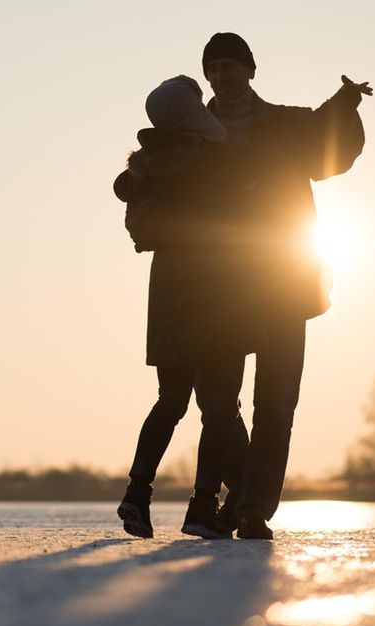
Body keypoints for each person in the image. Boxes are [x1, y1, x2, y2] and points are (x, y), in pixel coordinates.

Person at [195, 32, 370, 540]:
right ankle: (247, 492)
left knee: (275, 402)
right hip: (216, 286)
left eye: (232, 66)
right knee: (216, 402)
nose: (223, 75)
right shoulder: (190, 131)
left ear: (251, 71)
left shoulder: (286, 123)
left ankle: (251, 511)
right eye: (215, 67)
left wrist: (344, 106)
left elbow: (328, 154)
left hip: (283, 278)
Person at [112, 75, 265, 540]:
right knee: (219, 408)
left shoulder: (148, 170)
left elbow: (140, 229)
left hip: (169, 299)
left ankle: (137, 492)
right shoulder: (215, 163)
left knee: (171, 400)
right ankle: (202, 505)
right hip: (218, 298)